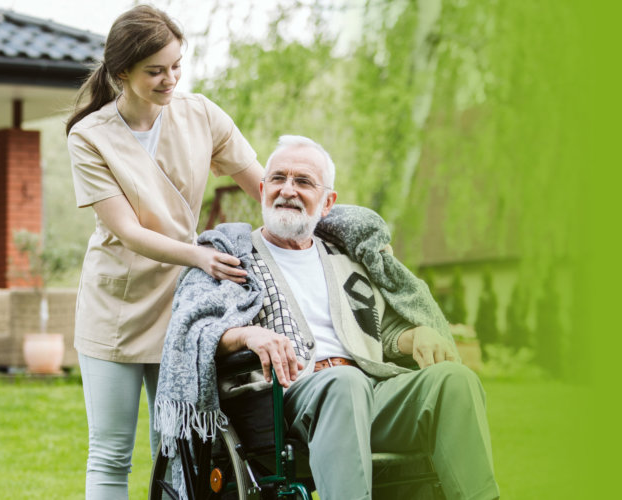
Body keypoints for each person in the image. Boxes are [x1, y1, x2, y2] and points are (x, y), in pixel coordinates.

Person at [151, 136, 498, 500]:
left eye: (303, 182)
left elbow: (382, 329)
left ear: (328, 202)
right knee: (343, 383)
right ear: (262, 188)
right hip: (288, 402)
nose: (288, 190)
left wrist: (418, 334)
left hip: (372, 392)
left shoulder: (347, 260)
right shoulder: (235, 258)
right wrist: (247, 335)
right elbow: (194, 328)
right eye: (278, 179)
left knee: (454, 381)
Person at [65, 5, 268, 499]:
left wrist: (315, 227)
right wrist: (198, 254)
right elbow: (128, 232)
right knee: (111, 452)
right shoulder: (89, 137)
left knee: (176, 445)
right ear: (122, 74)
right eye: (155, 71)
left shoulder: (201, 115)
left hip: (181, 309)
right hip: (115, 305)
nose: (170, 79)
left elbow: (263, 185)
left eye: (177, 65)